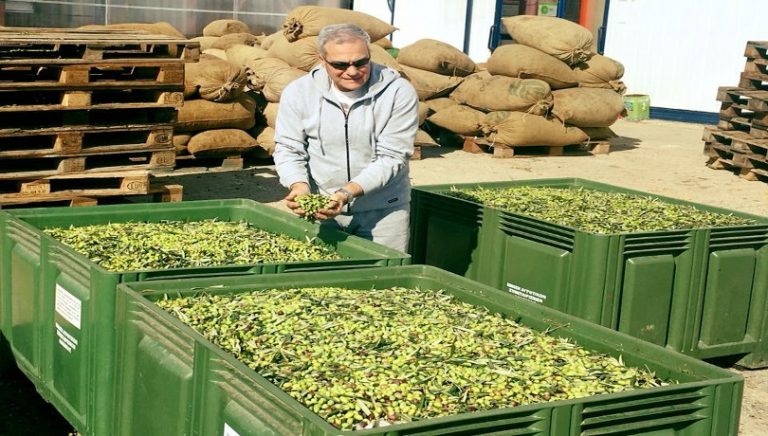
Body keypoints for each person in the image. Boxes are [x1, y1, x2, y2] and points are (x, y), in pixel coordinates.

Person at [273, 23, 419, 253]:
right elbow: (288, 148)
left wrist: (346, 193)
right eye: (340, 65)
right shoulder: (299, 92)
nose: (352, 71)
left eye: (361, 62)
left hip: (384, 211)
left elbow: (392, 156)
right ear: (322, 60)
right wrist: (299, 185)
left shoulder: (397, 92)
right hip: (321, 209)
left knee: (383, 273)